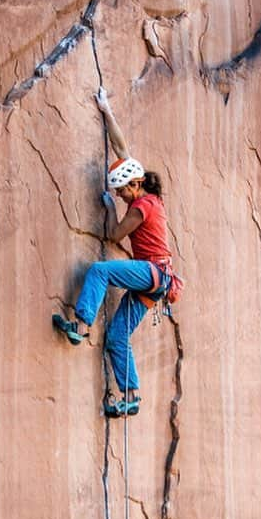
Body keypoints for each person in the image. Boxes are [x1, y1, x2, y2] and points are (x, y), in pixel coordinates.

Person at [53, 88, 174, 417]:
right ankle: (131, 395)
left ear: (134, 186)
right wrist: (106, 111)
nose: (119, 196)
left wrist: (108, 209)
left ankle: (80, 325)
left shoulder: (142, 207)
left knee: (100, 271)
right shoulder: (145, 192)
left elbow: (114, 235)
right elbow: (122, 148)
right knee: (118, 336)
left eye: (121, 191)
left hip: (152, 273)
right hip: (155, 283)